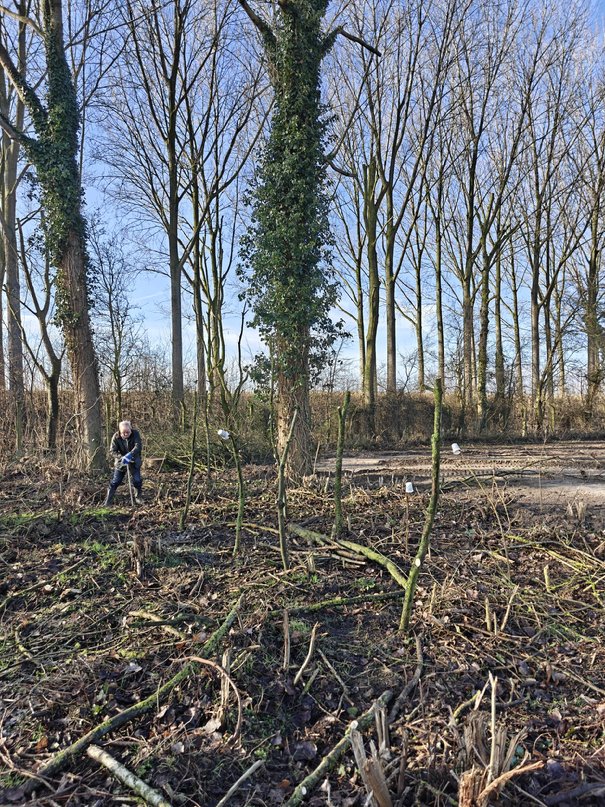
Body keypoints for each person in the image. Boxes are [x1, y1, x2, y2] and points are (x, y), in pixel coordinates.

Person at [104, 420, 143, 505]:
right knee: (115, 482)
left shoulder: (135, 434)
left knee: (137, 480)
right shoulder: (116, 437)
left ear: (130, 429)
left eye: (127, 432)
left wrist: (130, 455)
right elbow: (112, 451)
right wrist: (122, 457)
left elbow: (138, 446)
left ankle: (138, 498)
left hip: (134, 461)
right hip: (121, 462)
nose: (125, 434)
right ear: (119, 431)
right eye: (123, 432)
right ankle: (107, 502)